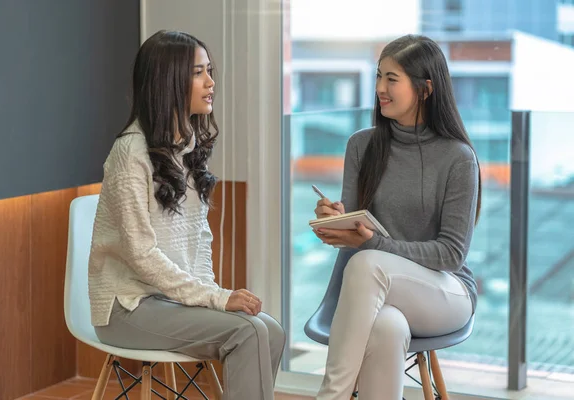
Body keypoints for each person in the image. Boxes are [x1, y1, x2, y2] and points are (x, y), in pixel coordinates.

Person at [88, 30, 285, 400]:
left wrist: (210, 293)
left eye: (209, 70)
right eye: (199, 73)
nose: (211, 82)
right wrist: (215, 299)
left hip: (168, 300)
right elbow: (141, 255)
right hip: (127, 307)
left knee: (270, 329)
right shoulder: (129, 154)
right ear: (168, 81)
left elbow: (198, 241)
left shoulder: (188, 146)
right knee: (247, 331)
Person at [312, 34, 481, 400]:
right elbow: (354, 228)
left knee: (369, 262)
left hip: (445, 292)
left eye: (392, 79)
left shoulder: (458, 157)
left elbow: (451, 255)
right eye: (378, 77)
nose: (379, 89)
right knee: (386, 328)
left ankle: (331, 395)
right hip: (379, 290)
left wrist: (372, 244)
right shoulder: (362, 145)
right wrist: (333, 221)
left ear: (425, 89)